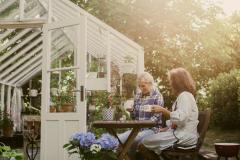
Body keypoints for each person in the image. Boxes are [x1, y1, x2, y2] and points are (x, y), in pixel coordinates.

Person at [140, 67, 199, 155]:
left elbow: (181, 119)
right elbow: (181, 122)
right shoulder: (183, 96)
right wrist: (165, 129)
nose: (170, 84)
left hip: (184, 137)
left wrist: (163, 110)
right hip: (181, 134)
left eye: (171, 81)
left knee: (144, 142)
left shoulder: (185, 96)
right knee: (146, 141)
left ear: (177, 83)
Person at [118, 72, 164, 158]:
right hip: (137, 129)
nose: (141, 88)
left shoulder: (158, 96)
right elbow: (135, 117)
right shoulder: (138, 96)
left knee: (134, 139)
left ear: (150, 83)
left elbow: (156, 119)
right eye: (139, 86)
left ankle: (131, 158)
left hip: (152, 130)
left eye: (143, 86)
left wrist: (141, 124)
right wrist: (132, 112)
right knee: (119, 139)